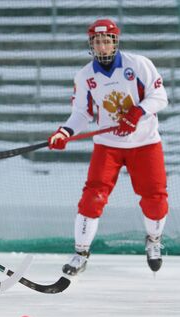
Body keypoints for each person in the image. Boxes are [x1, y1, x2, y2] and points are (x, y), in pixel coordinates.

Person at [48, 19, 168, 276]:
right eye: (96, 42)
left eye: (106, 41)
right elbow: (81, 113)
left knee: (155, 199)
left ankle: (154, 240)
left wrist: (136, 113)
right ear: (91, 45)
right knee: (92, 197)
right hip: (108, 145)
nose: (102, 46)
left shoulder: (139, 64)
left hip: (145, 143)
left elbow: (160, 97)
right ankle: (80, 253)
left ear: (115, 41)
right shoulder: (85, 76)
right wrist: (64, 132)